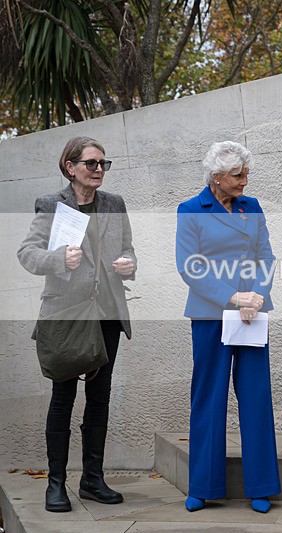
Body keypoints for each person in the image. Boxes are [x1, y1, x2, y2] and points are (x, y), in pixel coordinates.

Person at [17, 137, 137, 513]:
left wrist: (128, 264)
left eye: (104, 163)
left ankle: (92, 480)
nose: (99, 169)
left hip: (106, 314)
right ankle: (56, 485)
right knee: (63, 398)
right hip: (67, 316)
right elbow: (27, 253)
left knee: (99, 399)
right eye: (91, 163)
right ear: (70, 167)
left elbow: (128, 249)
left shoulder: (114, 204)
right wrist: (57, 260)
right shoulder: (52, 206)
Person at [175, 141, 280, 513]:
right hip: (211, 316)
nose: (244, 182)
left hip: (252, 314)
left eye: (246, 174)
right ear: (216, 177)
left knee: (256, 395)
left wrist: (257, 296)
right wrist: (234, 298)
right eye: (238, 175)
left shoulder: (252, 207)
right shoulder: (190, 210)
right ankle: (202, 486)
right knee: (209, 397)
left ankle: (262, 486)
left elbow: (266, 256)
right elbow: (189, 266)